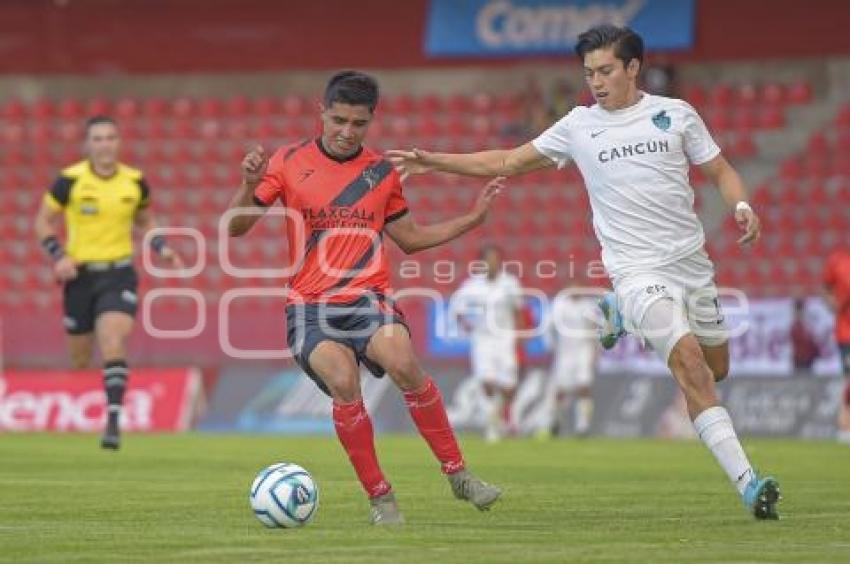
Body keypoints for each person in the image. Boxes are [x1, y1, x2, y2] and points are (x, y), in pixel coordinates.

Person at [389, 25, 782, 519]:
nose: (595, 81)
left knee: (716, 367)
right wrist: (436, 161)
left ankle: (623, 314)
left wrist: (741, 204)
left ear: (632, 67)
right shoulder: (577, 125)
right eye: (589, 72)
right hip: (636, 269)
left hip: (691, 264)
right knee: (691, 366)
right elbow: (508, 160)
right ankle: (749, 483)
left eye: (605, 70)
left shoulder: (675, 115)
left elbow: (721, 170)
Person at [225, 71, 502, 525]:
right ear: (322, 111)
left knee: (405, 364)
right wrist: (245, 184)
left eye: (357, 123)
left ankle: (459, 475)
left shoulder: (382, 172)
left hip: (367, 298)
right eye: (338, 120)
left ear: (370, 120)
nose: (346, 132)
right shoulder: (286, 161)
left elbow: (409, 238)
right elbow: (236, 227)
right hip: (310, 308)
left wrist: (472, 219)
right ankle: (381, 498)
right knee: (343, 382)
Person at [33, 115, 183, 450]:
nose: (104, 144)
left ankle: (113, 423)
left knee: (113, 340)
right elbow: (43, 222)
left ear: (119, 143)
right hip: (80, 278)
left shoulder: (135, 181)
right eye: (98, 139)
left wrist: (161, 246)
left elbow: (145, 219)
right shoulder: (69, 180)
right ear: (88, 145)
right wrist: (58, 256)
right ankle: (91, 410)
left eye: (110, 138)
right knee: (80, 358)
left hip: (119, 273)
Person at [452, 244, 523, 442]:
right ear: (482, 262)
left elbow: (518, 311)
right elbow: (457, 309)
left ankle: (499, 417)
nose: (492, 262)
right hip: (482, 338)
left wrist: (520, 336)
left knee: (508, 387)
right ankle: (493, 426)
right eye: (488, 259)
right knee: (487, 381)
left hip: (505, 337)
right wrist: (466, 325)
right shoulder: (471, 286)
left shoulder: (510, 284)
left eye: (495, 258)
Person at [543, 282, 599, 437]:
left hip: (583, 350)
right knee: (561, 390)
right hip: (565, 352)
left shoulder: (589, 305)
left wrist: (596, 351)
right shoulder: (559, 304)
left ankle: (583, 426)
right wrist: (551, 348)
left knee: (584, 386)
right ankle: (556, 421)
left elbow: (594, 328)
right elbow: (549, 327)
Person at [822, 248, 850, 442]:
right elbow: (826, 288)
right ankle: (845, 426)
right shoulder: (838, 260)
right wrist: (832, 303)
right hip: (846, 332)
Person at [789, 297, 819, 374]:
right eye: (797, 310)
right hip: (798, 359)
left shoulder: (808, 324)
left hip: (808, 359)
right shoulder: (793, 325)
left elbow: (813, 341)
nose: (799, 313)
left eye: (801, 310)